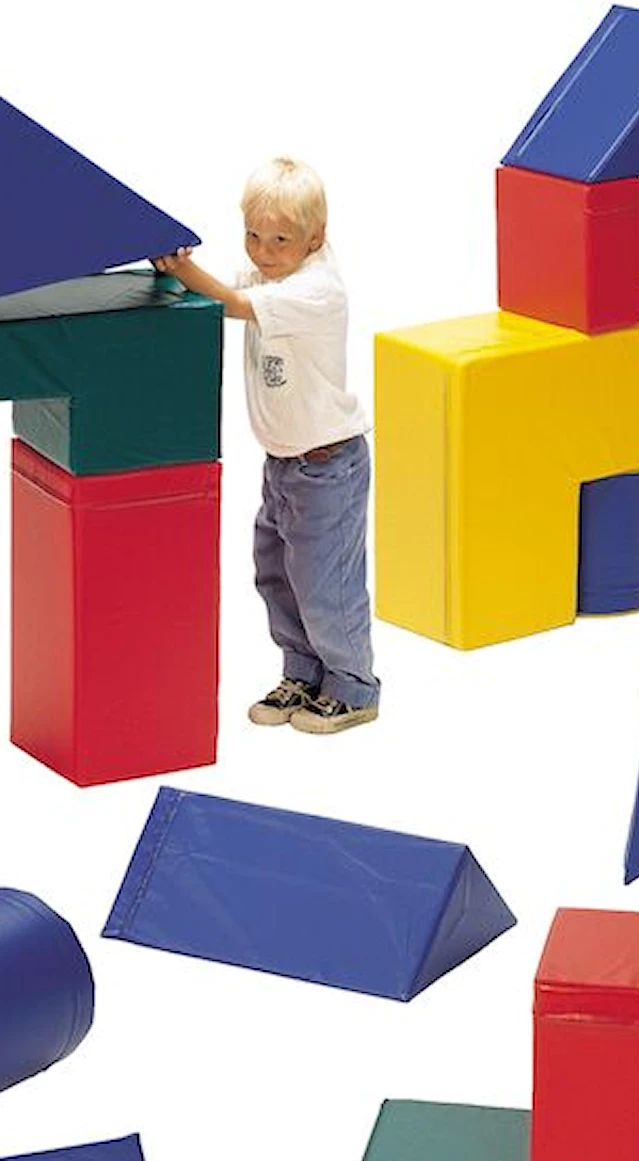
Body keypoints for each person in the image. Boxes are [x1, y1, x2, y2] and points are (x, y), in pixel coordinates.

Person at [154, 157, 378, 734]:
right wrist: (175, 269)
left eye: (280, 240)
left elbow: (232, 304)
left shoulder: (317, 289)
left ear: (315, 238)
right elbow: (228, 291)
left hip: (328, 465)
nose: (263, 251)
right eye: (253, 235)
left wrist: (184, 268)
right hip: (283, 465)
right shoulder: (267, 275)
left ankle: (352, 686)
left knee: (325, 581)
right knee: (277, 574)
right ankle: (303, 672)